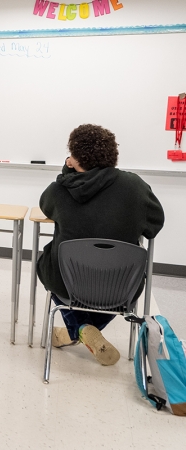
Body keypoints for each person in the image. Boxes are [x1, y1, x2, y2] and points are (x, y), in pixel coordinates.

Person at [37, 124, 165, 366]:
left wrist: (66, 171)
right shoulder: (135, 187)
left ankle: (80, 329)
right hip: (120, 289)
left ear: (74, 157)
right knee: (104, 283)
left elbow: (45, 206)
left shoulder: (60, 189)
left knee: (45, 263)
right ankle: (85, 330)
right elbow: (154, 226)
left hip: (69, 284)